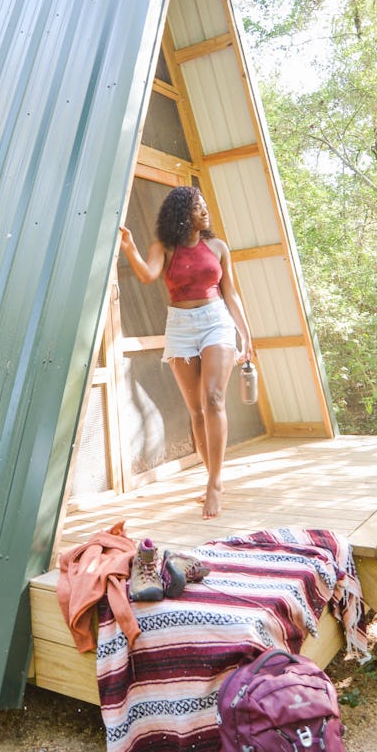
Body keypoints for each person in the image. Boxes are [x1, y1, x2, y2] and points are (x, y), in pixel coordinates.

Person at [119, 186, 254, 520]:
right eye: (198, 207)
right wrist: (131, 248)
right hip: (179, 325)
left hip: (215, 321)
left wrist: (246, 336)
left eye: (205, 205)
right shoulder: (164, 247)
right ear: (182, 213)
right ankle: (210, 476)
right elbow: (148, 275)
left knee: (213, 400)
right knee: (196, 410)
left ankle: (215, 485)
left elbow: (231, 294)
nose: (205, 211)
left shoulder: (218, 247)